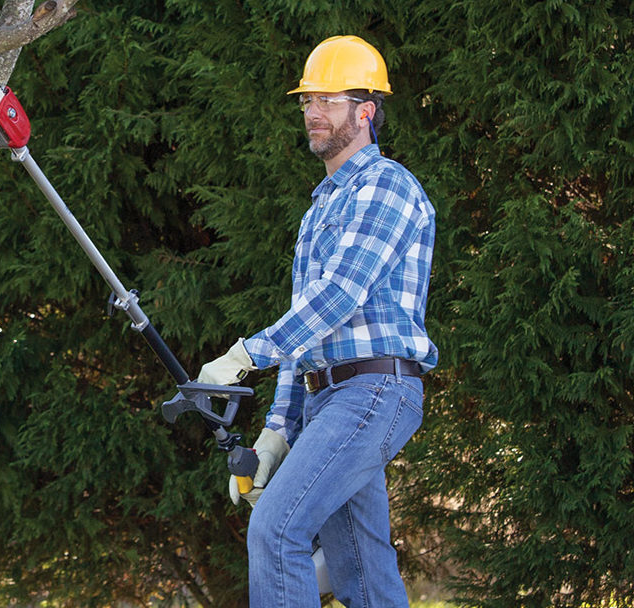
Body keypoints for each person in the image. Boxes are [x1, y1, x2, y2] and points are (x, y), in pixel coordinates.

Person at [197, 35, 438, 608]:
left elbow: (341, 295)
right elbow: (308, 332)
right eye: (307, 101)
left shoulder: (387, 186)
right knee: (363, 571)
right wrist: (277, 434)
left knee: (277, 531)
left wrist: (244, 356)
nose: (311, 112)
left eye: (326, 100)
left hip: (375, 390)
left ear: (365, 111)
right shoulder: (320, 207)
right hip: (330, 398)